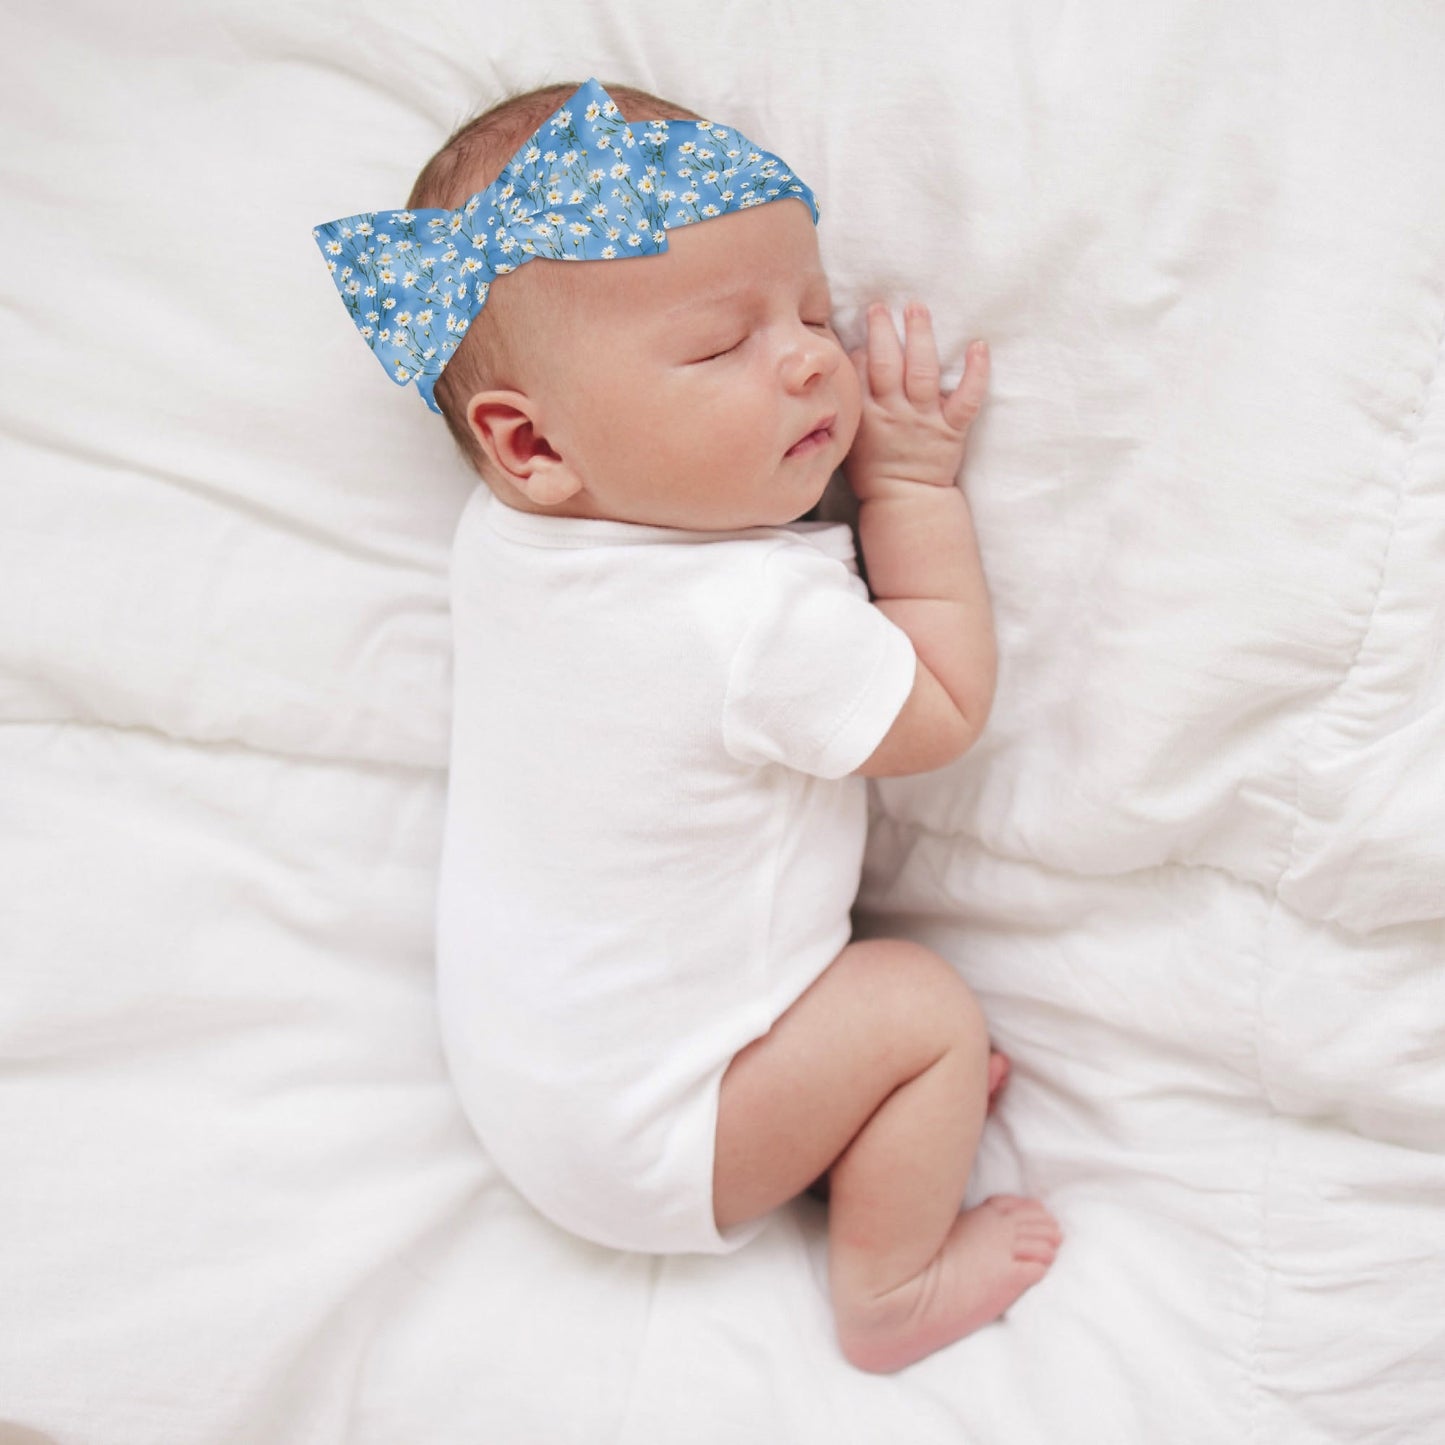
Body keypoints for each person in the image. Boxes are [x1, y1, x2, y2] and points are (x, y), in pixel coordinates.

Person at [314, 76, 1060, 1375]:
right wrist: (908, 482)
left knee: (865, 1021)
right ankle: (887, 1289)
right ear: (532, 440)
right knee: (922, 1007)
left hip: (542, 1090)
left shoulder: (507, 541)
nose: (810, 357)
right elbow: (939, 708)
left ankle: (842, 1127)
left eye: (812, 309)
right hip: (664, 1132)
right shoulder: (747, 613)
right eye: (722, 345)